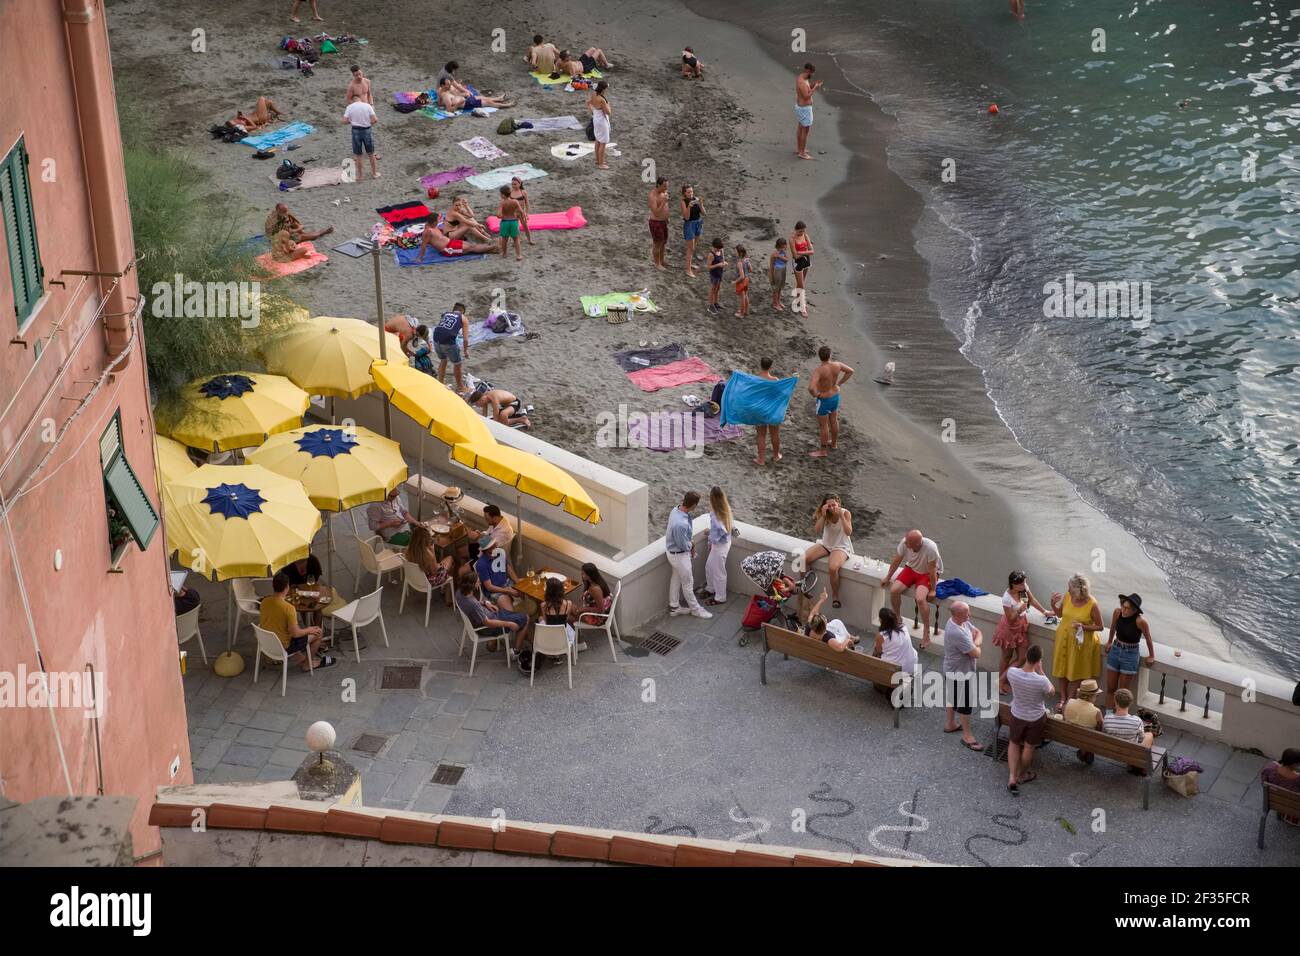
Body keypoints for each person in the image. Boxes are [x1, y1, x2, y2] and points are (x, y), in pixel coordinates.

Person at [1049, 573, 1104, 709]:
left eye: (1070, 588)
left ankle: (1069, 699)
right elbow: (1060, 614)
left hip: (1081, 643)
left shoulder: (1092, 604)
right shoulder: (1068, 596)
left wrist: (1083, 627)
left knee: (1075, 671)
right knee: (1062, 668)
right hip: (1064, 638)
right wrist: (1053, 604)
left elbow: (1100, 626)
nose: (1067, 590)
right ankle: (1062, 697)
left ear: (1079, 590)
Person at [1005, 644, 1055, 793]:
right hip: (1035, 718)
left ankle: (1012, 777)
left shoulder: (1012, 673)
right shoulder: (1041, 681)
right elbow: (1052, 692)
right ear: (1039, 660)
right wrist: (1042, 672)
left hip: (1017, 713)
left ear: (1026, 656)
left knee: (1013, 743)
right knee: (1028, 747)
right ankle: (1022, 775)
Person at [260, 571, 334, 671]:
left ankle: (301, 659)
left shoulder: (265, 601)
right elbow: (296, 634)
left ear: (273, 586)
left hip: (266, 643)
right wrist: (309, 629)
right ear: (287, 587)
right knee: (318, 632)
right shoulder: (289, 608)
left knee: (289, 629)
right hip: (283, 647)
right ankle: (308, 664)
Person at [881, 529, 941, 648]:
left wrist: (933, 589)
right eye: (906, 540)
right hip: (911, 569)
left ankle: (926, 632)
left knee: (920, 599)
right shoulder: (905, 543)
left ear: (918, 544)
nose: (905, 544)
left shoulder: (930, 548)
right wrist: (888, 577)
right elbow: (897, 560)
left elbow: (933, 571)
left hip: (926, 573)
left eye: (908, 542)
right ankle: (897, 618)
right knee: (894, 590)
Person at [455, 568, 533, 656]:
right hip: (489, 627)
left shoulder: (459, 593)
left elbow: (476, 605)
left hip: (491, 616)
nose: (479, 583)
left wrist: (485, 603)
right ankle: (516, 651)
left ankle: (521, 636)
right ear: (472, 585)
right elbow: (488, 623)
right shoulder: (473, 605)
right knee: (526, 618)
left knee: (508, 611)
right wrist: (509, 624)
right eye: (478, 582)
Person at [993, 570, 1048, 693]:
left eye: (1024, 583)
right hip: (1009, 629)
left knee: (1023, 658)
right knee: (1006, 657)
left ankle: (1001, 680)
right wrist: (1018, 611)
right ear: (1014, 584)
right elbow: (1010, 619)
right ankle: (1002, 684)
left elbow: (1032, 600)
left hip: (1021, 627)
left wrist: (1045, 612)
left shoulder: (1023, 588)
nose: (1024, 586)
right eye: (1021, 584)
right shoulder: (1006, 598)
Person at [1103, 592, 1156, 710]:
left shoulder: (1140, 622)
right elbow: (1112, 627)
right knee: (1111, 688)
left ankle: (1119, 718)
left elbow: (1148, 638)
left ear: (1134, 610)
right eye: (1123, 606)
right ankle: (1109, 717)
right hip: (1115, 650)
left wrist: (1151, 655)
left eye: (1127, 608)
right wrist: (1109, 641)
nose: (1123, 610)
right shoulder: (1117, 612)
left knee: (1122, 693)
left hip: (1130, 654)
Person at [943, 601, 983, 751]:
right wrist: (976, 645)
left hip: (952, 669)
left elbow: (979, 632)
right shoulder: (957, 632)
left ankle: (950, 724)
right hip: (960, 673)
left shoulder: (960, 621)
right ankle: (967, 736)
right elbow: (976, 653)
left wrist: (974, 643)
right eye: (967, 613)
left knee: (952, 697)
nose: (970, 615)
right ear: (958, 614)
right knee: (965, 705)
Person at [803, 494, 853, 608]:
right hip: (826, 544)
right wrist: (823, 516)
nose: (831, 508)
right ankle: (805, 585)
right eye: (829, 505)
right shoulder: (824, 514)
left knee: (833, 567)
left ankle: (835, 596)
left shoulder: (846, 513)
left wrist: (842, 516)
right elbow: (817, 530)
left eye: (833, 505)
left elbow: (849, 532)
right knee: (804, 559)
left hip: (840, 546)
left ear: (838, 504)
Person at [666, 491, 711, 619]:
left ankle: (674, 607)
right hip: (679, 555)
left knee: (676, 578)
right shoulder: (681, 524)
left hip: (672, 553)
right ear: (694, 505)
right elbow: (683, 545)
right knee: (688, 583)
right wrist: (690, 544)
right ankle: (696, 609)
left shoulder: (675, 510)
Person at [808, 345, 853, 458]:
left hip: (824, 399)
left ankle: (823, 451)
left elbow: (811, 387)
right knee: (834, 420)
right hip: (835, 396)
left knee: (824, 426)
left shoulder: (819, 371)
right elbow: (850, 371)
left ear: (819, 357)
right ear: (830, 355)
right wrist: (839, 383)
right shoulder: (837, 365)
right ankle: (834, 444)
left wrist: (816, 394)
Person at [702, 486, 734, 606]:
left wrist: (709, 535)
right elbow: (726, 528)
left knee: (718, 572)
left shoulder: (716, 518)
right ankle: (711, 588)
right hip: (725, 543)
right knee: (709, 566)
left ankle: (720, 597)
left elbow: (718, 534)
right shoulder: (726, 509)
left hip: (719, 546)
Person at [1063, 678, 1104, 764]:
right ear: (1091, 696)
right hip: (1087, 739)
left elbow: (1065, 715)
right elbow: (1100, 728)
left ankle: (1084, 751)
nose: (1096, 698)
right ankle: (1085, 751)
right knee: (1093, 733)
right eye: (1096, 695)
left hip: (1068, 735)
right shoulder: (1096, 711)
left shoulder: (1069, 702)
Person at [431, 303, 470, 392]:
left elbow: (443, 327)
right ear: (462, 312)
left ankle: (440, 382)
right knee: (457, 364)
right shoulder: (463, 318)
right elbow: (465, 340)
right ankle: (461, 387)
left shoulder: (445, 314)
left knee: (443, 360)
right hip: (448, 342)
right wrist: (465, 351)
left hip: (436, 339)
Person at [416, 219, 498, 261]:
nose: (438, 222)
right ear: (433, 222)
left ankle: (491, 248)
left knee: (470, 245)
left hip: (451, 243)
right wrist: (420, 257)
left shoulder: (432, 227)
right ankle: (494, 247)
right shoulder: (428, 232)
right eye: (437, 221)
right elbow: (423, 245)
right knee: (471, 247)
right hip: (448, 250)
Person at [342, 93, 379, 181]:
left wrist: (351, 121)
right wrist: (369, 124)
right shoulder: (367, 106)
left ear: (352, 100)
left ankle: (360, 176)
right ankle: (374, 173)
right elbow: (375, 120)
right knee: (371, 153)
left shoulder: (350, 107)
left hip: (355, 131)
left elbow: (344, 121)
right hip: (367, 130)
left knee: (358, 155)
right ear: (360, 99)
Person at [405, 525, 455, 590]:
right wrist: (432, 550)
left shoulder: (409, 549)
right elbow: (435, 572)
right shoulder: (428, 554)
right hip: (428, 581)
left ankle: (446, 588)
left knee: (443, 563)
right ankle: (447, 591)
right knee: (450, 558)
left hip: (415, 577)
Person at [754, 357, 784, 465]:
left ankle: (761, 459)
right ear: (771, 367)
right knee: (775, 434)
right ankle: (776, 456)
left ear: (760, 365)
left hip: (760, 410)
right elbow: (781, 395)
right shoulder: (775, 381)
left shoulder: (756, 380)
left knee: (761, 435)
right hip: (772, 410)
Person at [475, 545, 522, 612]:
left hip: (508, 583)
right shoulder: (481, 564)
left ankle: (538, 619)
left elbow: (509, 570)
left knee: (529, 590)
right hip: (495, 591)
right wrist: (508, 591)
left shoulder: (500, 553)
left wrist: (519, 583)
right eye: (490, 552)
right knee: (510, 613)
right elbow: (489, 587)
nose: (493, 554)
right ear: (484, 551)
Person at [874, 607, 918, 676]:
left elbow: (879, 652)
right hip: (912, 666)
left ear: (882, 621)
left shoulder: (881, 636)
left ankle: (880, 679)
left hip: (896, 673)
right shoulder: (903, 627)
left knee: (875, 652)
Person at [1260, 749, 1300, 824]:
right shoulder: (1297, 779)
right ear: (1293, 764)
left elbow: (1263, 781)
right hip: (1294, 808)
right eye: (1298, 763)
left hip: (1276, 803)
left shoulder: (1270, 768)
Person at [794, 63, 823, 160]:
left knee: (801, 128)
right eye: (811, 72)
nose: (812, 74)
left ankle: (800, 149)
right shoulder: (801, 81)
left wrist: (814, 84)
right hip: (804, 108)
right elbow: (806, 96)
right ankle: (802, 153)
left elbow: (807, 88)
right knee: (805, 130)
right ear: (807, 70)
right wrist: (815, 88)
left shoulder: (804, 78)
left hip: (801, 107)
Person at [437, 77, 515, 112]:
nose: (450, 85)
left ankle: (499, 99)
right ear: (442, 85)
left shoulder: (441, 91)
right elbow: (449, 110)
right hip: (466, 103)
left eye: (449, 84)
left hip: (466, 100)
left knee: (482, 97)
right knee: (488, 102)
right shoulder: (446, 96)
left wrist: (462, 95)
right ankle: (507, 105)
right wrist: (459, 103)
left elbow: (440, 103)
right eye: (448, 84)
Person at [265, 203, 333, 243]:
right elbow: (289, 231)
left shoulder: (277, 213)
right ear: (278, 210)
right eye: (284, 212)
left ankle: (303, 232)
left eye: (286, 211)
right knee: (302, 236)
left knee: (293, 222)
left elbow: (289, 214)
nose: (286, 213)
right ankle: (323, 232)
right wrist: (300, 228)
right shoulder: (276, 220)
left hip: (279, 233)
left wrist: (298, 223)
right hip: (276, 239)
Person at [789, 222, 814, 315]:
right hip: (797, 263)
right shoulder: (792, 239)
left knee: (801, 282)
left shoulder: (805, 236)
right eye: (800, 231)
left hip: (806, 260)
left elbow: (812, 251)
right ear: (796, 229)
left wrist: (802, 252)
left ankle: (798, 301)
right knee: (802, 285)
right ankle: (803, 308)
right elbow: (795, 255)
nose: (802, 233)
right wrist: (805, 252)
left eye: (803, 231)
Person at [496, 185, 525, 261]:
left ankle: (504, 253)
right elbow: (521, 211)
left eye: (500, 194)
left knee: (504, 239)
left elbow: (498, 215)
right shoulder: (515, 201)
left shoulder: (502, 203)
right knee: (516, 239)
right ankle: (518, 255)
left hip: (505, 222)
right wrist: (521, 216)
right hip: (514, 221)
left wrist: (501, 215)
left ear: (503, 195)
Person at [680, 185, 704, 277]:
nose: (691, 194)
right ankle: (688, 270)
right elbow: (686, 217)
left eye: (692, 192)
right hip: (689, 225)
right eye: (688, 192)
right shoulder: (683, 202)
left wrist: (701, 204)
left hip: (698, 223)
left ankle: (690, 265)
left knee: (694, 246)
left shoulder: (696, 199)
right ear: (684, 194)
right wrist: (689, 207)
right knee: (690, 248)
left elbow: (704, 213)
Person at [587, 81, 611, 170]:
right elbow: (608, 112)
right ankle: (601, 164)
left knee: (598, 140)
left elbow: (588, 103)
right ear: (603, 89)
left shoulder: (593, 94)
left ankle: (598, 160)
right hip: (602, 121)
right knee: (603, 143)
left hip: (596, 118)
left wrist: (592, 112)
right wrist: (608, 105)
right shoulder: (602, 100)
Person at [648, 177, 670, 271]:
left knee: (663, 242)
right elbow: (656, 212)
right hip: (656, 223)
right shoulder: (652, 196)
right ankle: (657, 264)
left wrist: (666, 217)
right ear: (658, 185)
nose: (666, 188)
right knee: (657, 243)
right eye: (664, 186)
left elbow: (665, 206)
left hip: (663, 222)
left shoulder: (664, 192)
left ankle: (662, 260)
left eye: (667, 186)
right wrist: (664, 202)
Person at [510, 177, 534, 245]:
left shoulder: (523, 192)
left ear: (520, 184)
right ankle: (518, 240)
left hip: (521, 213)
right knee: (515, 227)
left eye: (515, 184)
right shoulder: (510, 192)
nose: (513, 186)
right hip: (513, 213)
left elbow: (527, 203)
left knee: (525, 227)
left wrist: (527, 213)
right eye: (512, 184)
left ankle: (529, 239)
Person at [706, 238, 727, 314]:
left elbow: (723, 260)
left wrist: (724, 263)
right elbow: (708, 267)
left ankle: (716, 303)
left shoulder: (721, 250)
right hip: (714, 274)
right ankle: (710, 305)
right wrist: (718, 264)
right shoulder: (711, 254)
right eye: (717, 248)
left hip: (720, 273)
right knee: (712, 289)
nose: (719, 250)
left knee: (718, 288)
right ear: (714, 247)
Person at [769, 237, 788, 311]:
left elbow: (787, 260)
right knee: (776, 288)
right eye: (781, 247)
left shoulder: (783, 253)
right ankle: (775, 303)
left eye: (784, 247)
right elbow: (771, 266)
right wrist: (771, 275)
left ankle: (778, 301)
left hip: (783, 269)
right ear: (777, 247)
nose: (782, 249)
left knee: (780, 287)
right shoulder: (774, 254)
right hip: (776, 270)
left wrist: (780, 257)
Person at [733, 244, 752, 318]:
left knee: (742, 297)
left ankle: (741, 313)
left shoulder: (739, 263)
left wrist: (735, 282)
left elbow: (741, 276)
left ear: (739, 253)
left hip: (741, 282)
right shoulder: (746, 260)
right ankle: (746, 311)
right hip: (747, 280)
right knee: (746, 295)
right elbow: (751, 269)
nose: (735, 252)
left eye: (735, 251)